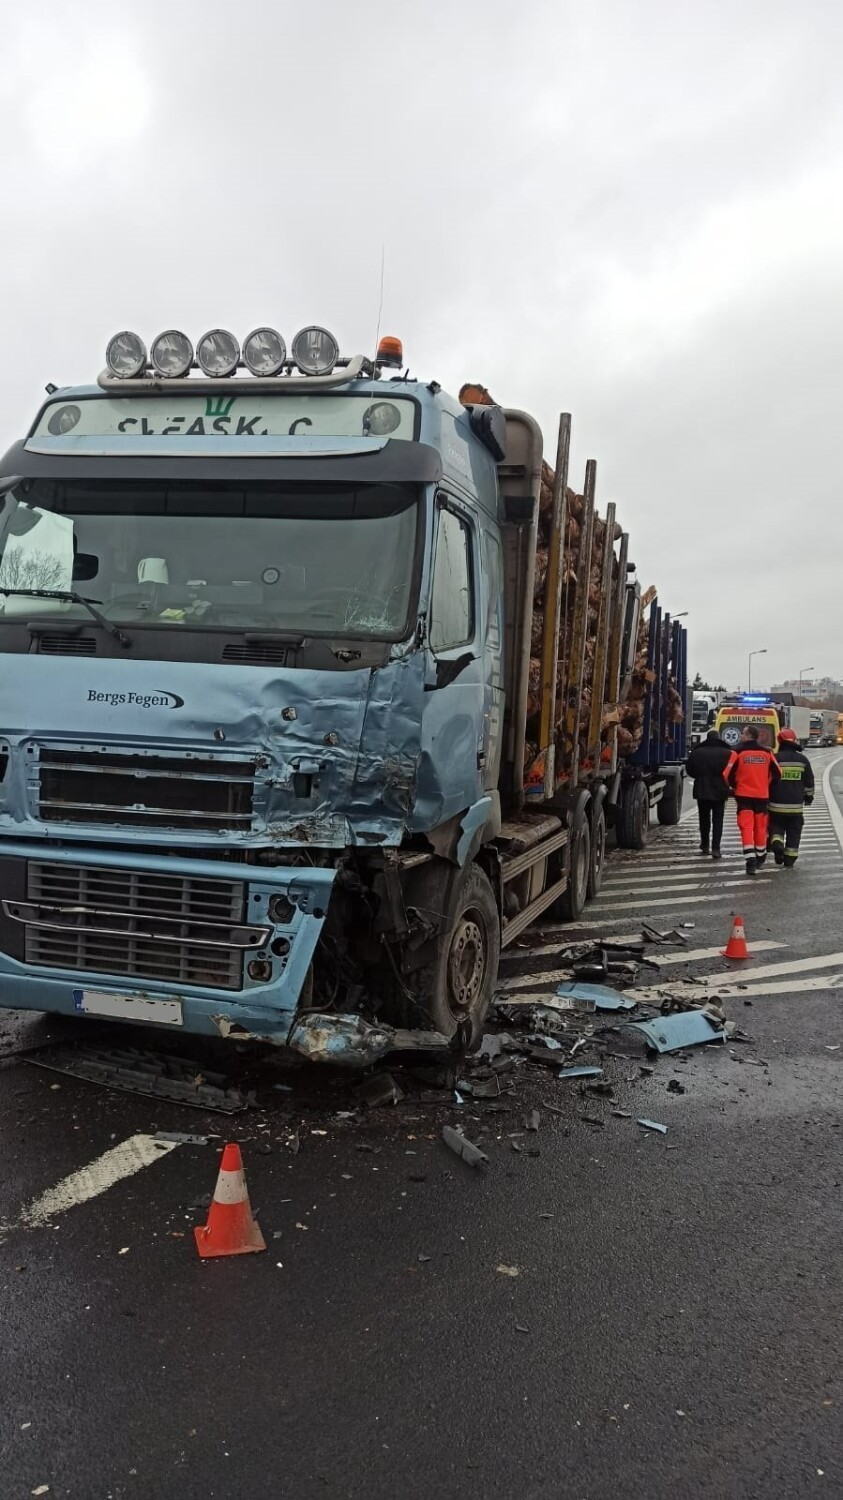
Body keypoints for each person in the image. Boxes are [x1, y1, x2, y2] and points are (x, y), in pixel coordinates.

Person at [723, 725, 781, 876]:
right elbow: (778, 773)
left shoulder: (737, 752)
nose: (741, 736)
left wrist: (736, 787)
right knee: (761, 827)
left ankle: (750, 861)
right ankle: (760, 856)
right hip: (762, 796)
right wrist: (765, 785)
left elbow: (727, 774)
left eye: (743, 734)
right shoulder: (767, 753)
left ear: (748, 736)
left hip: (743, 796)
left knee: (746, 827)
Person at [767, 727, 814, 869]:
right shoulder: (803, 760)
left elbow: (767, 779)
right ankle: (790, 859)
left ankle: (776, 842)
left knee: (776, 827)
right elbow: (809, 783)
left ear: (780, 741)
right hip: (795, 807)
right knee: (794, 832)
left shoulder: (775, 758)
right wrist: (808, 797)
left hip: (775, 805)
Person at [686, 729, 732, 858]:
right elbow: (732, 772)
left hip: (702, 789)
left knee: (704, 819)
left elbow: (690, 770)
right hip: (720, 790)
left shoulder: (697, 752)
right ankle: (716, 848)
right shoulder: (727, 753)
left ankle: (705, 845)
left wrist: (700, 777)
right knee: (718, 820)